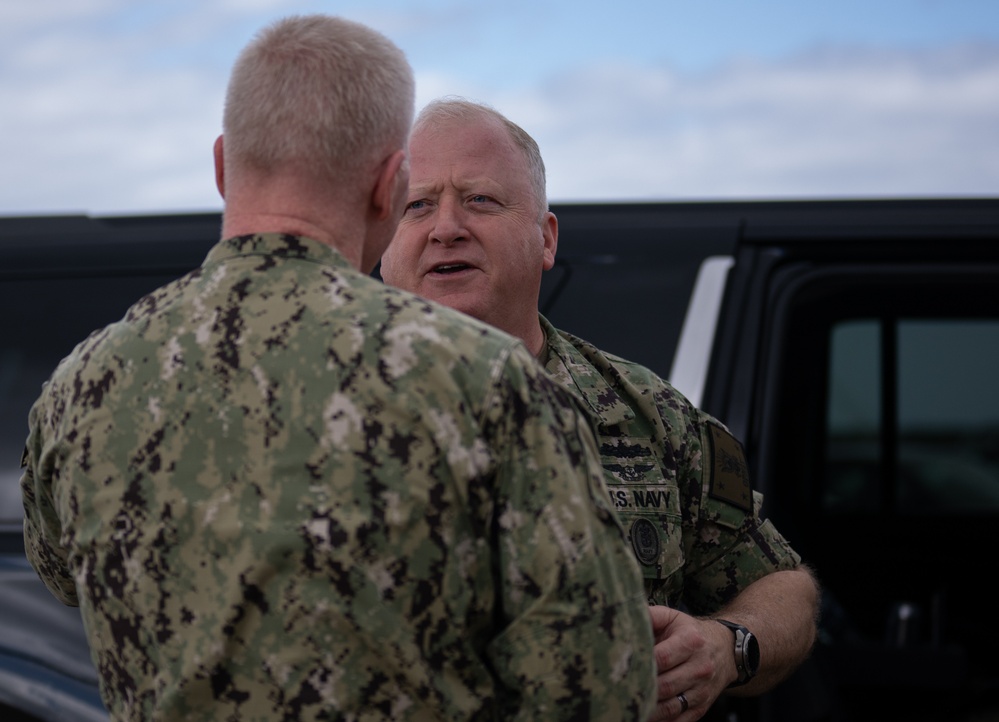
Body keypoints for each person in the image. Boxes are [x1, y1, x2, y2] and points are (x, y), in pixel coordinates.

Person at [19, 18, 657, 721]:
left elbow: (64, 580)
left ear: (223, 165)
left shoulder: (81, 386)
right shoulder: (484, 380)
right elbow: (600, 686)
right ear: (390, 184)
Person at [379, 97, 821, 721]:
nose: (445, 226)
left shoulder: (651, 416)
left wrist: (727, 646)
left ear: (546, 239)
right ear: (380, 240)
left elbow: (782, 586)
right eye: (416, 205)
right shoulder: (306, 415)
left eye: (480, 200)